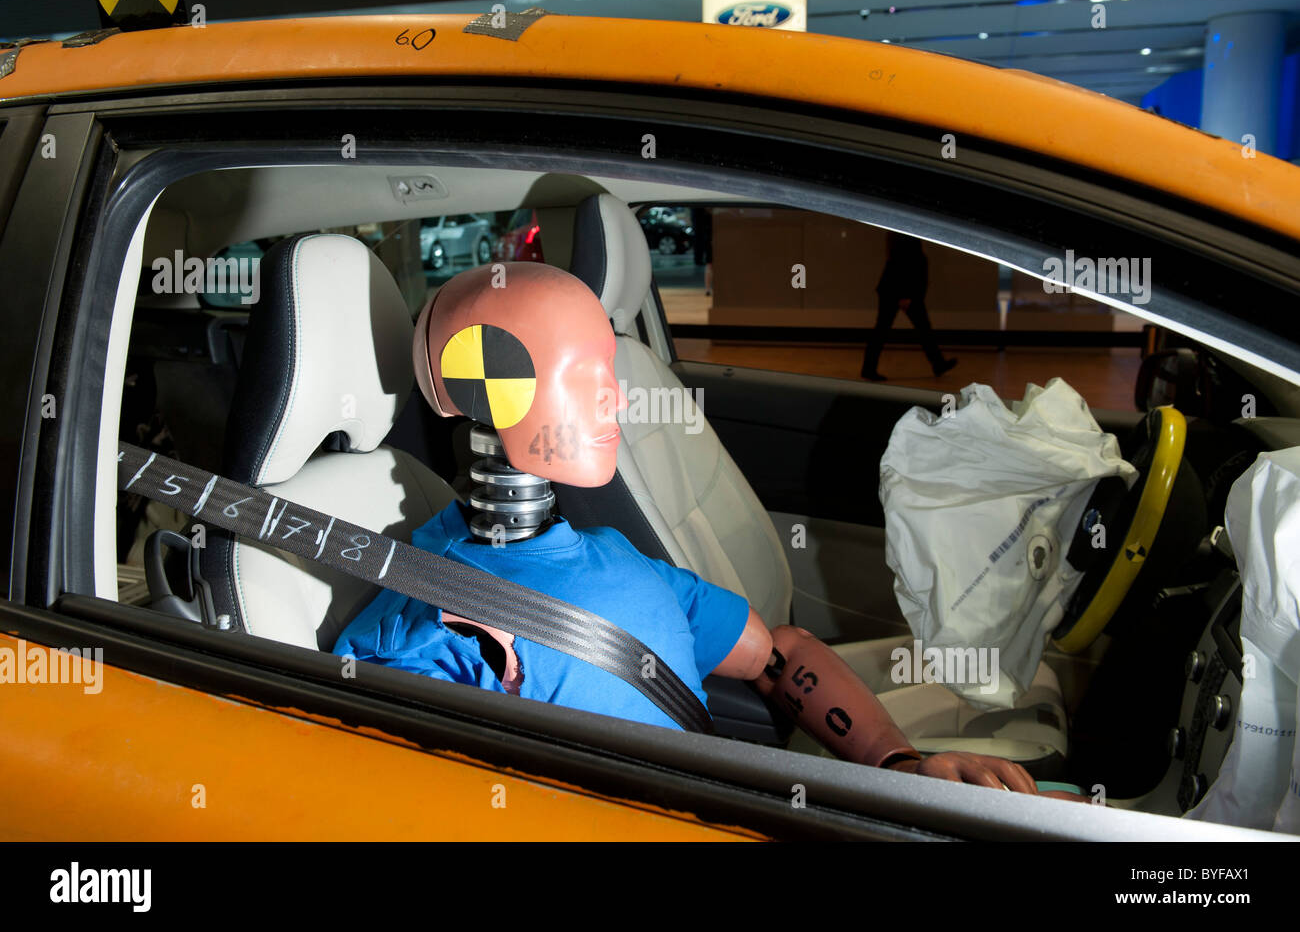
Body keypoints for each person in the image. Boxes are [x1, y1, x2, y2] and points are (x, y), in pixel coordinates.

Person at [334, 261, 1077, 796]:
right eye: (583, 377)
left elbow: (776, 653)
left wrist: (901, 765)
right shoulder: (439, 631)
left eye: (608, 376)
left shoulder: (609, 557)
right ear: (487, 386)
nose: (612, 403)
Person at [860, 232, 958, 381]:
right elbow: (904, 263)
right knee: (913, 328)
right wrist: (905, 295)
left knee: (912, 328)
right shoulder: (905, 236)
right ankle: (937, 363)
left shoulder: (901, 235)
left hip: (898, 290)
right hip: (901, 291)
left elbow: (903, 262)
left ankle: (938, 363)